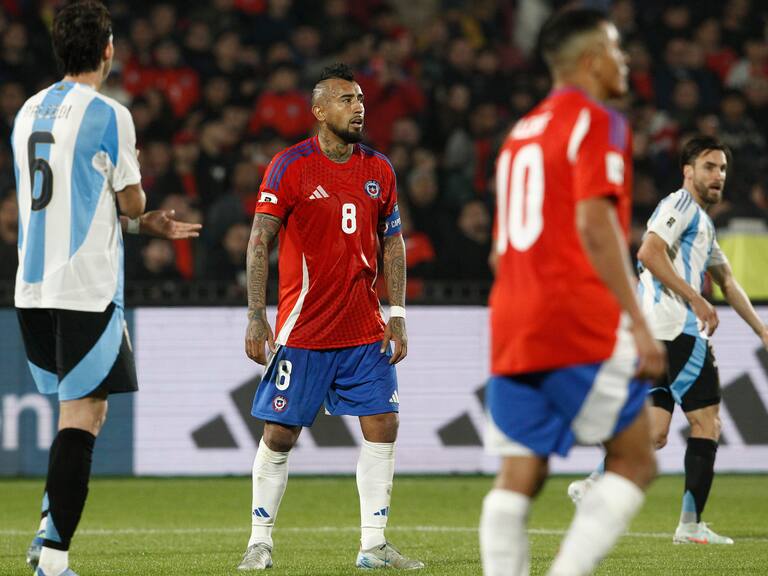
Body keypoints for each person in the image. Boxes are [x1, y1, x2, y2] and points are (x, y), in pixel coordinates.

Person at [12, 3, 201, 575]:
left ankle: (46, 537)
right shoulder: (110, 114)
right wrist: (144, 208)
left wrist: (148, 226)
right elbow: (128, 201)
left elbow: (74, 201)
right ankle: (53, 559)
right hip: (84, 290)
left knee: (82, 416)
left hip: (31, 291)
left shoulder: (24, 113)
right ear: (108, 49)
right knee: (83, 420)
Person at [480, 9, 666, 576]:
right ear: (591, 61)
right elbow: (594, 224)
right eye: (617, 50)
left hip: (513, 317)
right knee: (636, 458)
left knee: (521, 474)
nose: (625, 61)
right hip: (574, 315)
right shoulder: (598, 120)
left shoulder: (520, 132)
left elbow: (497, 250)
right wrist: (637, 318)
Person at [238, 63, 421, 571]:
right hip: (305, 330)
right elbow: (259, 240)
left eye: (360, 98)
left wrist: (398, 312)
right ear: (319, 111)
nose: (358, 107)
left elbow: (393, 243)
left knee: (384, 424)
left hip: (364, 328)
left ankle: (374, 545)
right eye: (345, 99)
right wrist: (256, 315)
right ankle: (259, 541)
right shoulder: (290, 166)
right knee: (280, 435)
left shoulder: (379, 168)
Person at [568, 136, 768, 544]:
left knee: (656, 432)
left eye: (723, 169)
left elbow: (728, 282)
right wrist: (696, 298)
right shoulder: (679, 204)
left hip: (659, 332)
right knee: (707, 422)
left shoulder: (703, 223)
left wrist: (762, 329)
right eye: (710, 167)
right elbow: (648, 251)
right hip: (677, 329)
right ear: (688, 171)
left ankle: (593, 484)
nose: (718, 176)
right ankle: (691, 526)